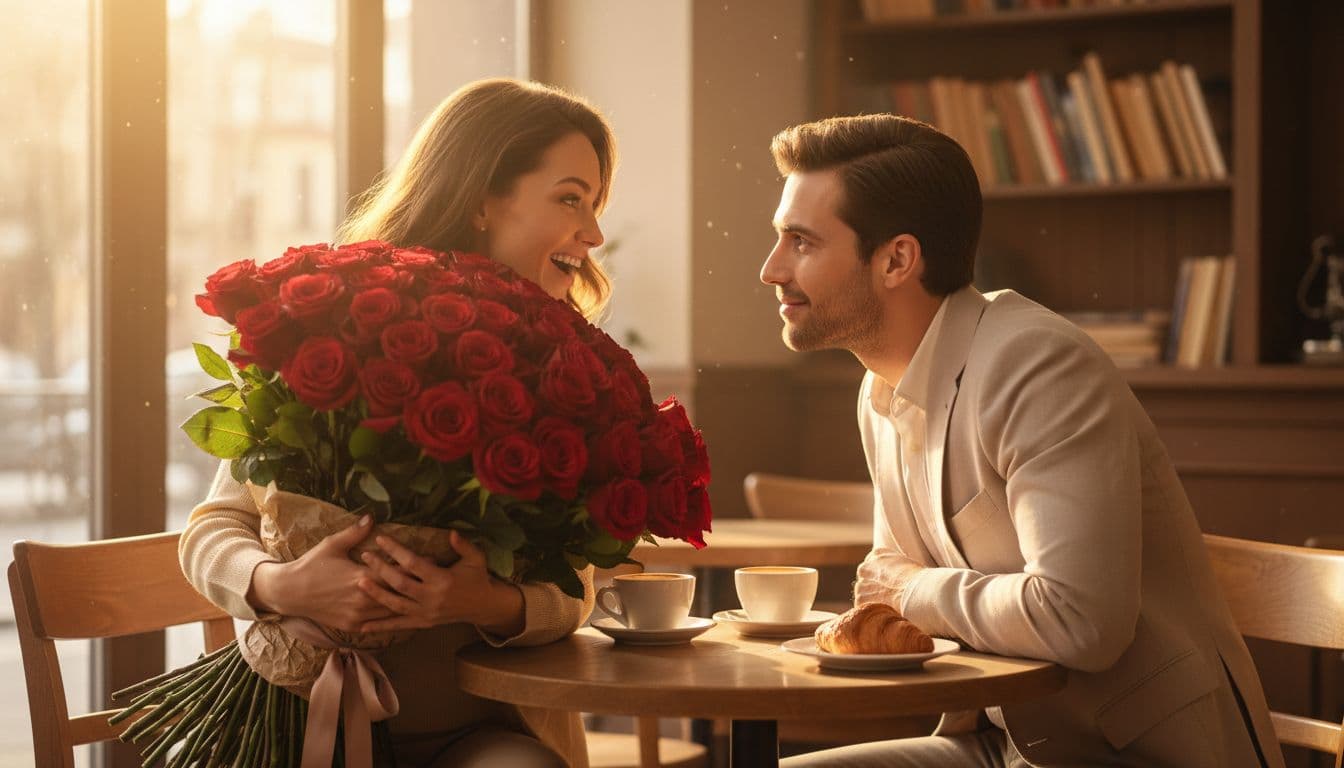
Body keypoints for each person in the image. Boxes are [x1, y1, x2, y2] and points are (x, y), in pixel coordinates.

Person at [760, 114, 1285, 768]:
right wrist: (899, 595)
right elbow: (885, 585)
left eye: (801, 242)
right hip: (1000, 743)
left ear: (896, 259)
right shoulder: (879, 392)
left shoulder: (1037, 365)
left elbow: (1079, 621)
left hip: (1134, 754)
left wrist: (912, 593)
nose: (770, 269)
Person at [180, 77, 615, 768]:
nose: (592, 234)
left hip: (483, 732)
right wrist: (278, 583)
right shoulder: (334, 331)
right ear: (480, 198)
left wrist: (488, 601)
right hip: (297, 719)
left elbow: (577, 593)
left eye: (594, 207)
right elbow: (211, 530)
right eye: (570, 199)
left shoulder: (564, 371)